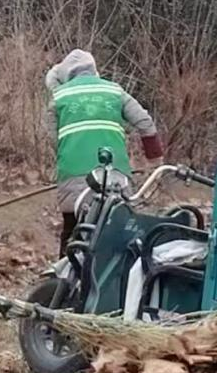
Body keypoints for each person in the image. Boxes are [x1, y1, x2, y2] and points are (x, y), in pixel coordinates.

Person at [44, 50, 163, 253]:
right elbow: (145, 123)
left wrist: (69, 155)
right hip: (116, 175)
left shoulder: (59, 96)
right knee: (118, 235)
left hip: (73, 175)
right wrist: (155, 160)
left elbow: (53, 138)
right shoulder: (115, 91)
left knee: (72, 232)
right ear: (93, 70)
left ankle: (66, 270)